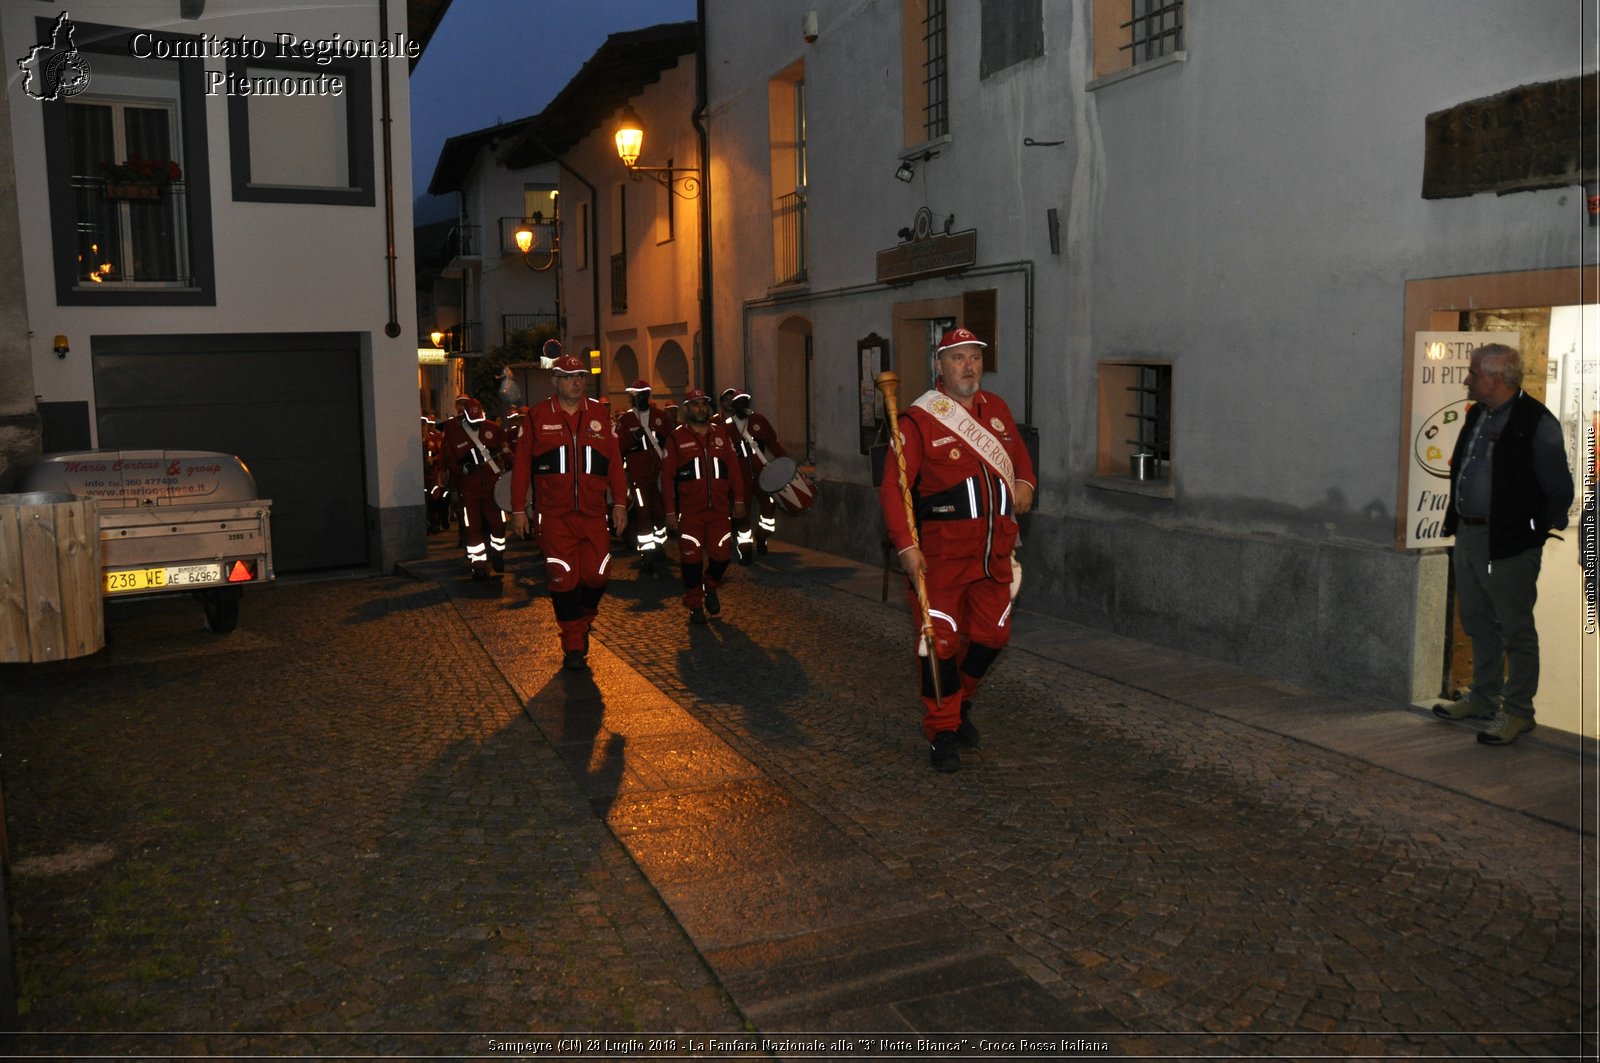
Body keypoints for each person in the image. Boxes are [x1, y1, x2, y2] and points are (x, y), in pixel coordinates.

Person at [878, 327, 1037, 772]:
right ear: (940, 366)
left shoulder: (998, 409)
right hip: (942, 559)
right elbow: (894, 489)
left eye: (974, 358)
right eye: (958, 358)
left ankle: (958, 701)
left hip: (994, 555)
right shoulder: (918, 420)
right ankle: (942, 729)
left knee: (992, 637)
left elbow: (1020, 458)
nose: (968, 366)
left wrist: (1025, 482)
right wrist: (907, 548)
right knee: (940, 647)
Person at [1432, 343, 1573, 745]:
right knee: (1477, 620)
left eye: (1473, 374)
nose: (1467, 380)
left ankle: (1517, 712)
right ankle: (1484, 697)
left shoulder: (1535, 421)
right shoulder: (1478, 413)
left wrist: (1531, 531)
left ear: (1496, 378)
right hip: (1471, 533)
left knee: (1515, 628)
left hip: (1509, 542)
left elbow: (1559, 488)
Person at [508, 355, 629, 671]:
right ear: (555, 381)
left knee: (597, 575)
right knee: (563, 579)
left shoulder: (601, 417)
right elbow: (521, 467)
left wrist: (619, 504)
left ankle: (583, 620)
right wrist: (519, 510)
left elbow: (615, 465)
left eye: (580, 376)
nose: (577, 381)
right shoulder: (536, 418)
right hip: (554, 516)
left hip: (592, 515)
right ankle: (573, 644)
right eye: (569, 376)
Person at [662, 388, 746, 623]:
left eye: (703, 404)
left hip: (719, 512)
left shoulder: (721, 435)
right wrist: (670, 511)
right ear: (686, 409)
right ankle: (695, 604)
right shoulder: (676, 438)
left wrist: (739, 501)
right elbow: (667, 478)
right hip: (690, 513)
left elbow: (735, 472)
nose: (700, 408)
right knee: (691, 561)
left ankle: (710, 586)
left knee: (722, 557)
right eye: (695, 404)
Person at [440, 396, 509, 579]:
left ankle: (498, 555)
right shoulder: (454, 434)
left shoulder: (493, 429)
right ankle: (478, 564)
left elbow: (508, 453)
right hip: (469, 488)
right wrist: (461, 469)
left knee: (499, 523)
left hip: (493, 486)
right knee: (472, 527)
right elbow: (448, 462)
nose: (477, 425)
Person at [615, 379, 673, 575]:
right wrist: (634, 438)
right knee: (643, 511)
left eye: (641, 394)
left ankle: (659, 545)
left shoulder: (660, 417)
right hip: (638, 476)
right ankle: (646, 552)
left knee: (660, 510)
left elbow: (671, 444)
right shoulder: (626, 421)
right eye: (635, 395)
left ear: (647, 395)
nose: (638, 398)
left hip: (659, 475)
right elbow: (618, 449)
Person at [725, 387, 787, 561]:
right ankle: (745, 549)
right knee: (742, 512)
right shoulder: (727, 428)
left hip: (762, 473)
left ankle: (762, 535)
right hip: (740, 475)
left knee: (769, 506)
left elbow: (773, 443)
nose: (744, 404)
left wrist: (786, 463)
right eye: (740, 402)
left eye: (746, 401)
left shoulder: (759, 420)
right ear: (734, 405)